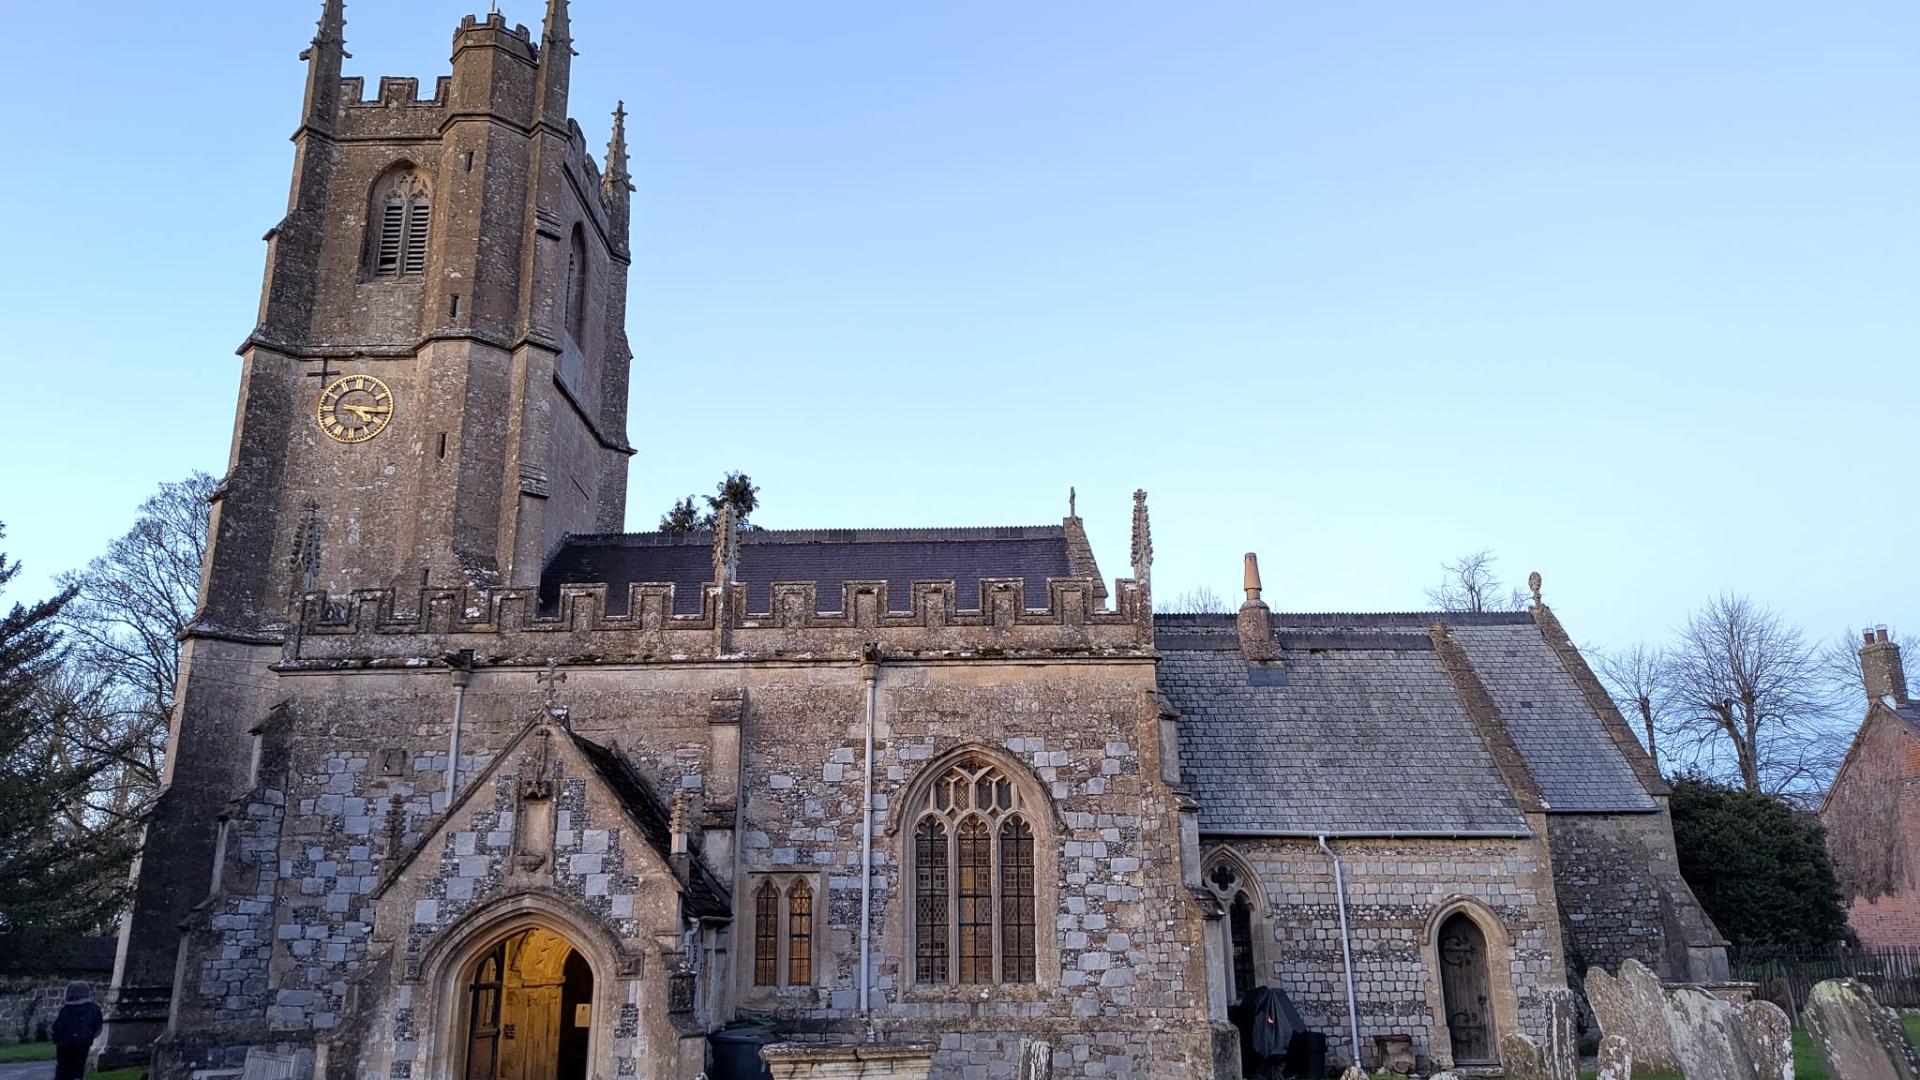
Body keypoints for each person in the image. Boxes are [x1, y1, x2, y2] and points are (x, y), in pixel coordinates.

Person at [50, 981, 103, 1080]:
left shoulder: (65, 1010)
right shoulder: (93, 1008)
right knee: (78, 1067)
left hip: (65, 1043)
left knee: (63, 1069)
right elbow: (97, 1025)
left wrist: (57, 1039)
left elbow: (57, 1027)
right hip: (83, 1042)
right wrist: (90, 1036)